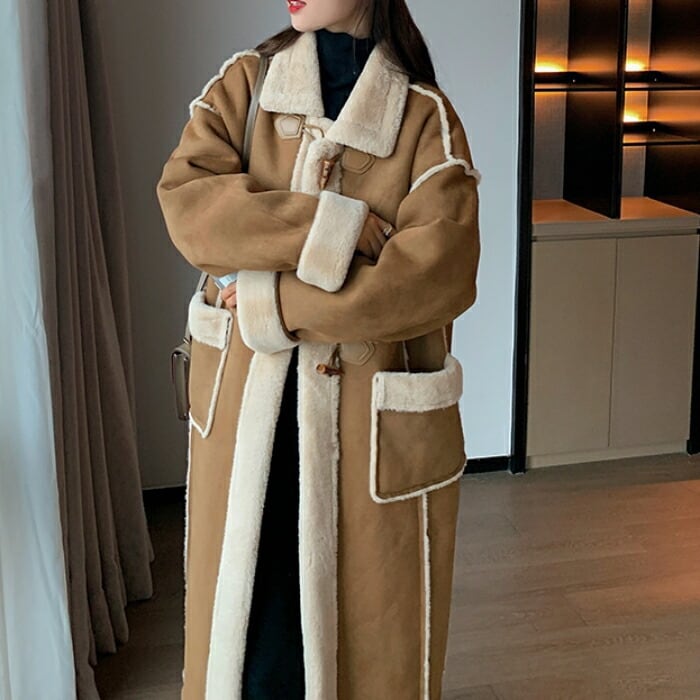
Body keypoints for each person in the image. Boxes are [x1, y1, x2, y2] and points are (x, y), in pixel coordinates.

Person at [155, 1, 481, 698]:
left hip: (364, 434)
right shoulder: (246, 84)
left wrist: (277, 302)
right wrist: (333, 225)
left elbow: (439, 271)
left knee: (359, 645)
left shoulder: (424, 118)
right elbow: (189, 204)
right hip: (246, 417)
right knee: (248, 638)